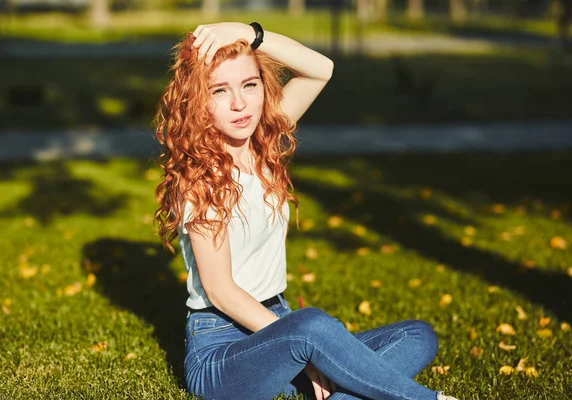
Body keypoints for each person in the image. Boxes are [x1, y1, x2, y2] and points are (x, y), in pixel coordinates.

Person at [154, 21, 460, 400]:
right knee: (313, 325)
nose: (239, 103)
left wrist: (249, 33)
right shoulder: (199, 177)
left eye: (250, 85)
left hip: (283, 328)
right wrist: (308, 347)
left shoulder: (263, 139)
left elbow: (321, 69)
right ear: (198, 101)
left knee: (416, 336)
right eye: (220, 90)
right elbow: (220, 291)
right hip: (221, 352)